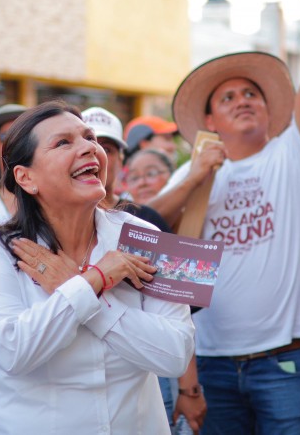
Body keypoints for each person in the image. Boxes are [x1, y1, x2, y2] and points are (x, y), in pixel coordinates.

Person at [150, 0, 300, 434]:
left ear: (271, 110)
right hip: (210, 363)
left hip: (286, 359)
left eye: (251, 93)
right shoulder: (191, 176)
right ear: (210, 120)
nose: (243, 101)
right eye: (228, 97)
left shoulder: (291, 155)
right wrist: (188, 384)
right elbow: (154, 246)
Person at [0, 100, 195, 434]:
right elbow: (12, 353)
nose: (90, 149)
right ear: (26, 177)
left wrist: (81, 292)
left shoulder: (149, 237)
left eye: (89, 138)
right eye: (64, 142)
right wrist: (93, 280)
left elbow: (176, 355)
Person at [85, 109, 206, 432]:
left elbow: (181, 312)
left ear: (120, 159)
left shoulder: (145, 219)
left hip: (147, 385)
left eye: (106, 149)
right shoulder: (45, 228)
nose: (92, 157)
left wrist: (188, 389)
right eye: (86, 144)